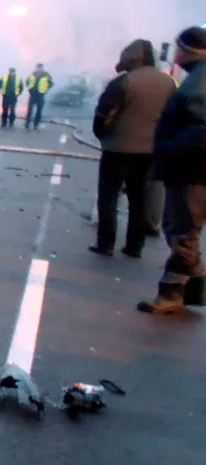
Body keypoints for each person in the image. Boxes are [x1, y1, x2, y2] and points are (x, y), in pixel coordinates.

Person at [137, 26, 206, 314]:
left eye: (178, 48)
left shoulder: (200, 84)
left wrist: (172, 148)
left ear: (189, 51)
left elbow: (201, 130)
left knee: (182, 230)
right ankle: (196, 288)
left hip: (191, 171)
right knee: (179, 228)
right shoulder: (197, 79)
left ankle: (171, 294)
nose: (174, 55)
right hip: (189, 169)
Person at [88, 40, 175, 258]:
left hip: (118, 148)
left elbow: (103, 116)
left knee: (109, 197)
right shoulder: (169, 83)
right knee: (139, 198)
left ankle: (106, 244)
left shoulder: (123, 82)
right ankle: (135, 246)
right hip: (149, 151)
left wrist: (104, 137)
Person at [24, 63, 53, 130]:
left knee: (39, 111)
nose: (39, 69)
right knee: (30, 110)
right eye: (38, 68)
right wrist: (29, 89)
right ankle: (27, 124)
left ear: (42, 68)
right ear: (36, 68)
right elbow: (27, 81)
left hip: (40, 95)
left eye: (40, 68)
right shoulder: (32, 74)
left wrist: (46, 89)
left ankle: (36, 125)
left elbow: (51, 83)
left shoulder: (46, 75)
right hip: (33, 94)